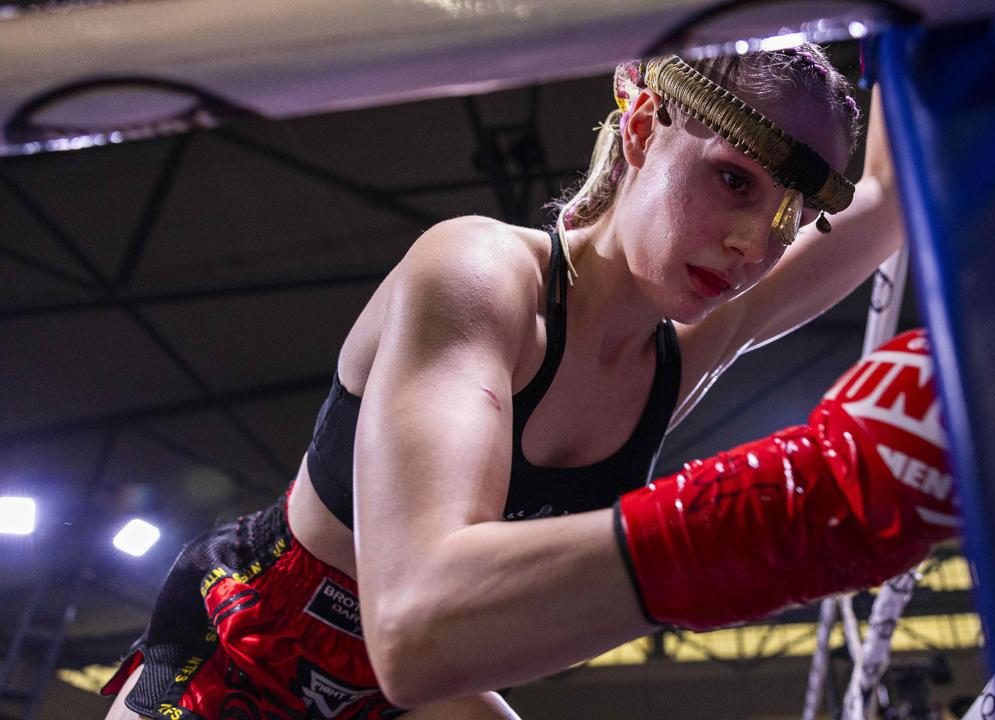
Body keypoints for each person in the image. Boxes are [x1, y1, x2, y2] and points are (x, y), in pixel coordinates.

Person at [102, 45, 927, 719]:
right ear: (642, 127)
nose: (755, 242)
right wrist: (788, 516)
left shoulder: (693, 342)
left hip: (417, 692)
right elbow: (417, 617)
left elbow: (892, 192)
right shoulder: (477, 272)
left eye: (790, 214)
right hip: (254, 645)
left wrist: (910, 30)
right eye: (734, 179)